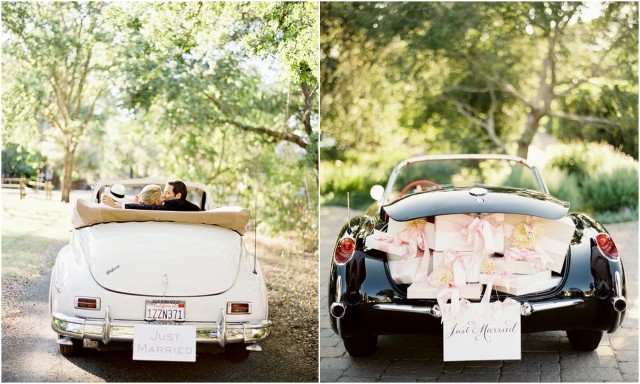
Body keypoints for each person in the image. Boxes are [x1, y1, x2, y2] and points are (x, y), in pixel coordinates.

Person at [125, 180, 201, 211]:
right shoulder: (171, 207)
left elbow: (152, 208)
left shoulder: (175, 204)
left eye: (167, 193)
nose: (164, 195)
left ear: (178, 196)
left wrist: (136, 206)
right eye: (164, 192)